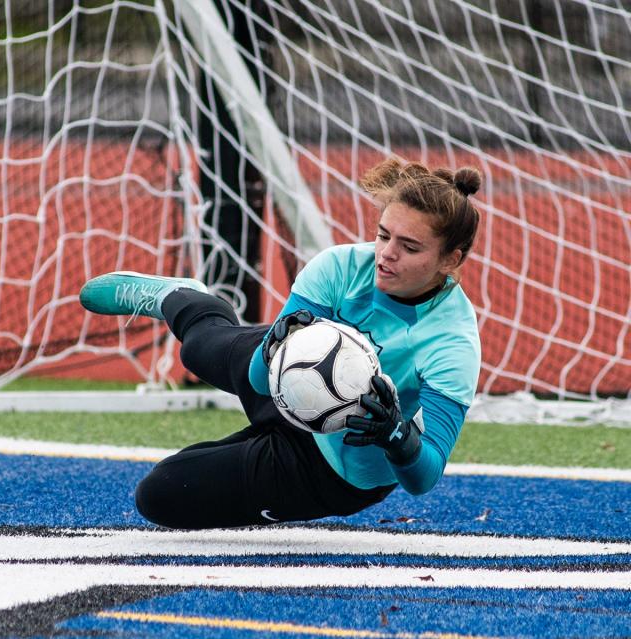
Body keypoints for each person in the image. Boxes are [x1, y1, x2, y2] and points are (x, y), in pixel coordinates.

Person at [79, 157, 482, 530]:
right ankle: (179, 298)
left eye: (409, 247)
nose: (386, 255)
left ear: (450, 260)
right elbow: (258, 380)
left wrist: (394, 432)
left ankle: (240, 456)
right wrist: (275, 344)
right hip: (285, 377)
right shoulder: (338, 267)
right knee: (198, 349)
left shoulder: (453, 343)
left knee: (160, 494)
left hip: (333, 470)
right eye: (382, 235)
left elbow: (424, 476)